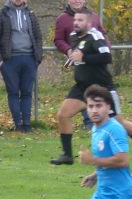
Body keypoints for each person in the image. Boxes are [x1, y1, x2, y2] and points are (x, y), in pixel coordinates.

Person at [50, 8, 132, 166]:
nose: (76, 23)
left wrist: (84, 57)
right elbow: (78, 53)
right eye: (75, 20)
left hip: (102, 87)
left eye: (80, 20)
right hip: (82, 86)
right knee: (63, 115)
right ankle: (67, 155)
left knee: (117, 123)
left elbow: (106, 57)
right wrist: (72, 60)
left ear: (89, 23)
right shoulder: (73, 36)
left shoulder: (95, 36)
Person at [0, 0, 43, 132]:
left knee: (27, 92)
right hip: (10, 60)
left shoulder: (31, 14)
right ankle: (18, 124)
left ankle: (27, 123)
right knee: (13, 92)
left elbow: (38, 37)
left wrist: (38, 58)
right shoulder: (1, 14)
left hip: (29, 58)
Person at [53, 0, 105, 130]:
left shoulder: (94, 16)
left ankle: (97, 120)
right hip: (79, 61)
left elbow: (103, 35)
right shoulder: (62, 19)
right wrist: (68, 50)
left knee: (95, 89)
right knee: (85, 88)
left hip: (95, 61)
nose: (77, 1)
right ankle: (89, 121)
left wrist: (105, 49)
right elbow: (58, 39)